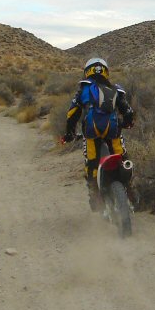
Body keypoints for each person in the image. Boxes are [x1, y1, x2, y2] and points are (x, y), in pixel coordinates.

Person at [61, 57, 135, 210]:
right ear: (105, 71)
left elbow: (72, 114)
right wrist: (126, 124)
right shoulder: (116, 89)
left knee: (92, 163)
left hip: (91, 132)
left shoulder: (84, 88)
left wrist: (69, 133)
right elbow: (128, 111)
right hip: (113, 131)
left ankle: (95, 197)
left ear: (87, 71)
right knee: (122, 158)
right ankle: (130, 192)